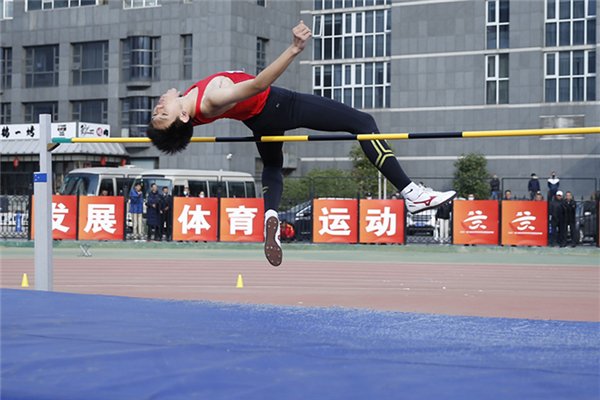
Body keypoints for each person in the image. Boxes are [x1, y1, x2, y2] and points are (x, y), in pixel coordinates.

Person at [146, 22, 456, 266]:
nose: (158, 108)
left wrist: (170, 100)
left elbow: (173, 114)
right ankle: (412, 193)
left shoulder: (188, 107)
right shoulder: (211, 99)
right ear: (183, 117)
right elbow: (258, 84)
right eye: (162, 114)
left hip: (259, 121)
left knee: (272, 164)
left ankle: (270, 215)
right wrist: (294, 48)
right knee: (363, 123)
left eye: (156, 112)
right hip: (280, 104)